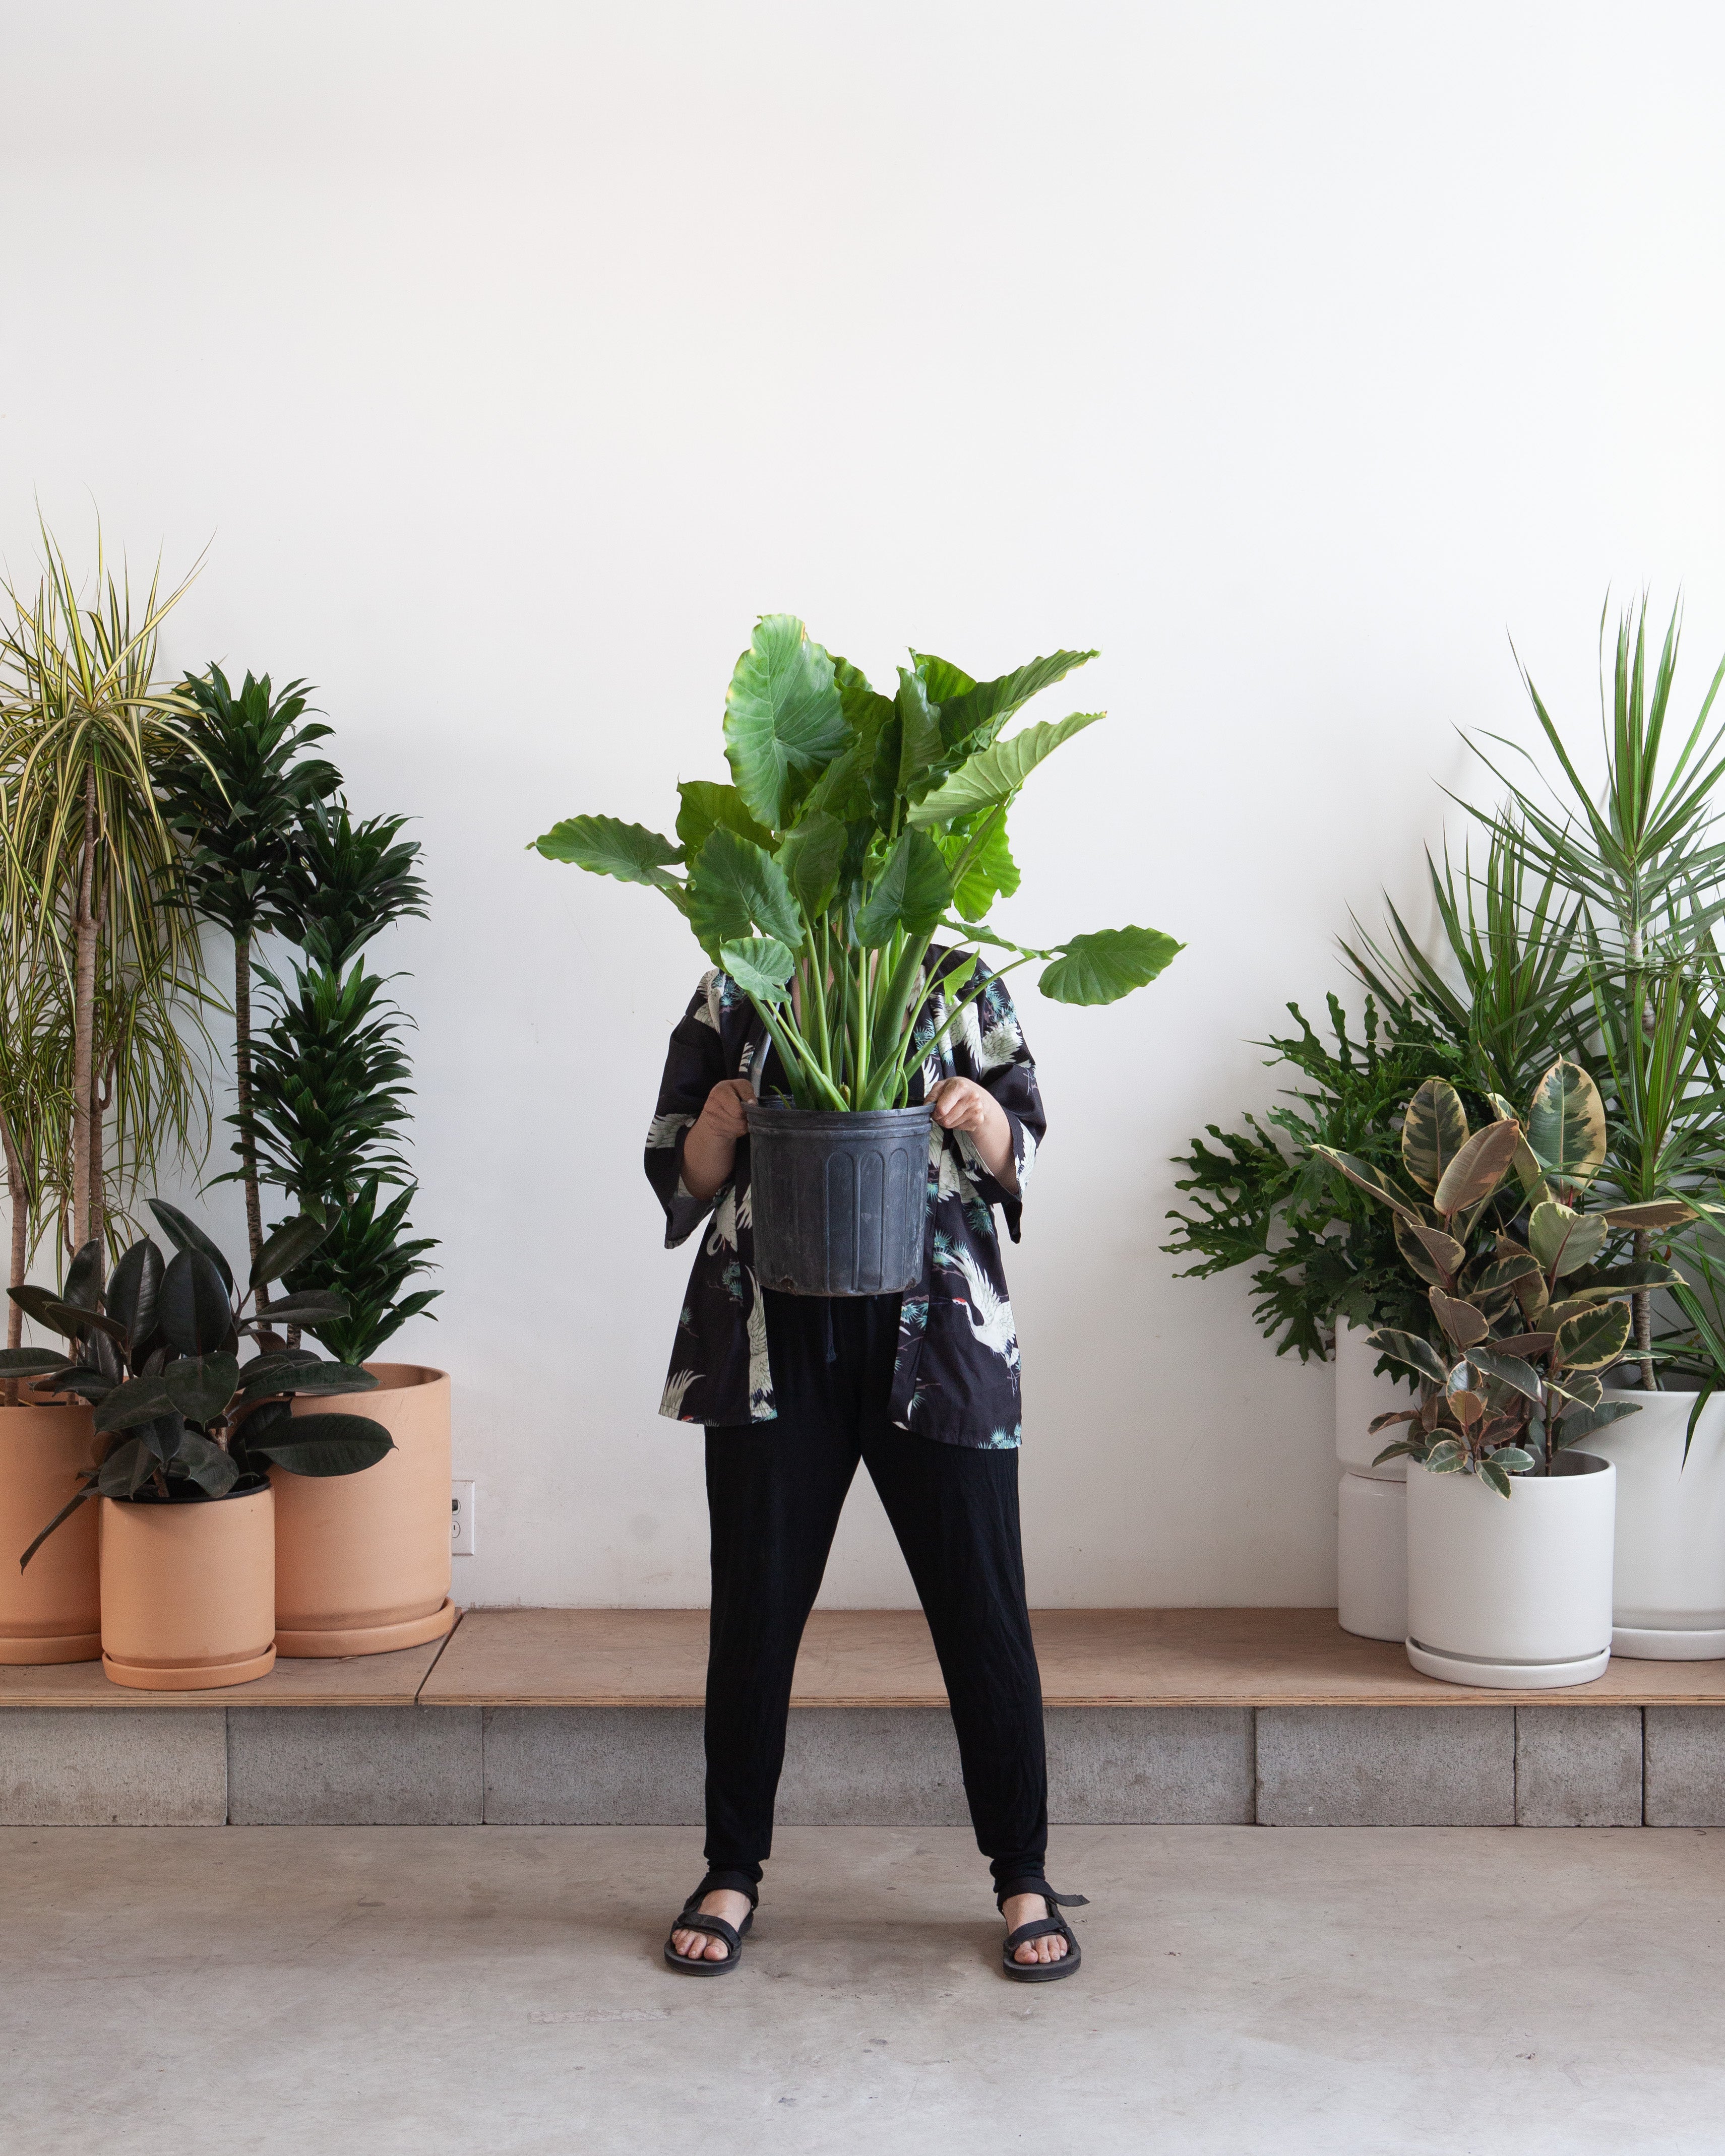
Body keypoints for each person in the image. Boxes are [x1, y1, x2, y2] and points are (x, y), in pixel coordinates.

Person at [643, 952, 1086, 1983]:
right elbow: (680, 1171)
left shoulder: (957, 978)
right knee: (753, 1610)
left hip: (939, 1331)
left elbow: (1020, 1151)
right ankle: (730, 1870)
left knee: (982, 1608)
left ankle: (1022, 1873)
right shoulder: (738, 980)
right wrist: (713, 1128)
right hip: (766, 1337)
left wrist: (979, 1118)